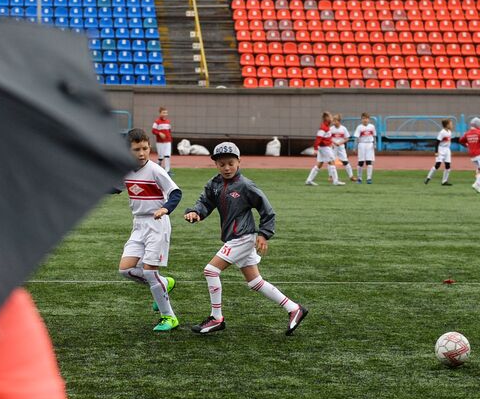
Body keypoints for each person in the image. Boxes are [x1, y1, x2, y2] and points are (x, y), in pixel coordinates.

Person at [185, 141, 308, 335]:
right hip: (234, 238)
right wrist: (195, 213)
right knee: (255, 282)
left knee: (210, 271)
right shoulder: (214, 184)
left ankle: (216, 318)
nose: (226, 168)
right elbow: (205, 202)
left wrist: (264, 234)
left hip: (242, 237)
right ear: (216, 164)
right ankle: (294, 308)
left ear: (239, 162)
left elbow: (267, 210)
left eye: (231, 163)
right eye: (222, 164)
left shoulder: (245, 185)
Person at [118, 128, 181, 332]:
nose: (142, 153)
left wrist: (165, 208)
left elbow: (176, 193)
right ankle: (164, 283)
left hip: (157, 224)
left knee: (149, 272)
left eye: (145, 148)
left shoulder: (156, 170)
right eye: (137, 149)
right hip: (138, 224)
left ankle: (169, 317)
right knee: (125, 269)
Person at [306, 112, 340, 186]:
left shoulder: (327, 127)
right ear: (327, 118)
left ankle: (309, 180)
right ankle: (335, 181)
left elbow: (327, 138)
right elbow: (318, 139)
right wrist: (315, 149)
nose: (332, 119)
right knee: (331, 161)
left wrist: (331, 143)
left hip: (325, 147)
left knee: (320, 164)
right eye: (330, 117)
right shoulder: (323, 128)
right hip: (324, 148)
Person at [462, 117, 480, 193]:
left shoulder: (467, 133)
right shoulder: (479, 132)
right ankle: (476, 184)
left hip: (472, 155)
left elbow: (461, 140)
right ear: (478, 125)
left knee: (479, 169)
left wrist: (467, 145)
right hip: (479, 154)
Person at [424, 117, 453, 185]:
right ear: (447, 125)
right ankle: (428, 178)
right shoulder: (442, 132)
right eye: (451, 124)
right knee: (438, 165)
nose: (452, 125)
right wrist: (436, 152)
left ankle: (444, 181)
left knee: (448, 165)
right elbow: (437, 142)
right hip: (441, 149)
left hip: (447, 150)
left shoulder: (449, 132)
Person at [352, 112, 376, 184]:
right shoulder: (359, 127)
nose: (365, 120)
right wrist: (354, 147)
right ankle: (359, 178)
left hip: (369, 145)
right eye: (363, 118)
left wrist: (375, 144)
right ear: (361, 119)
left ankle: (369, 178)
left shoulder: (372, 127)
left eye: (366, 118)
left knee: (369, 161)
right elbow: (356, 138)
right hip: (361, 145)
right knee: (361, 162)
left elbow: (374, 136)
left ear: (369, 119)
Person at [330, 114, 353, 182]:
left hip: (341, 148)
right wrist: (334, 142)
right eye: (333, 120)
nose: (333, 122)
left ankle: (351, 176)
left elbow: (347, 138)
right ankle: (331, 177)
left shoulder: (343, 128)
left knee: (345, 161)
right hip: (333, 147)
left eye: (335, 120)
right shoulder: (331, 129)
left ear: (339, 121)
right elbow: (329, 138)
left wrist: (340, 143)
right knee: (331, 161)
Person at [150, 107, 173, 173]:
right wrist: (159, 133)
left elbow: (169, 130)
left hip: (168, 141)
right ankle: (156, 168)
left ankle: (167, 171)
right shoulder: (157, 122)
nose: (165, 114)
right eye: (163, 112)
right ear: (160, 113)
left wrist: (169, 137)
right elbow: (153, 131)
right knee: (161, 157)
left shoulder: (168, 121)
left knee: (167, 155)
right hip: (160, 142)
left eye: (166, 113)